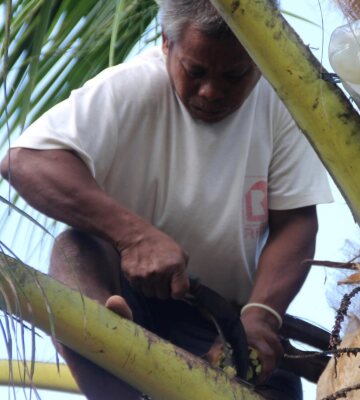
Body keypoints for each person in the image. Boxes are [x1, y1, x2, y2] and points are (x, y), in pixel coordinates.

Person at [0, 0, 332, 398]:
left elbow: (295, 222)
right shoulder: (132, 86)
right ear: (166, 44)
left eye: (233, 75)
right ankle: (114, 360)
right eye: (195, 71)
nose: (211, 91)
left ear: (259, 60)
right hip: (124, 295)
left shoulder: (279, 105)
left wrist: (262, 314)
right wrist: (133, 237)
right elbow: (26, 162)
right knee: (73, 250)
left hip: (225, 323)